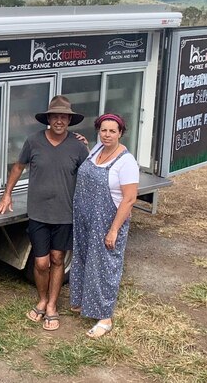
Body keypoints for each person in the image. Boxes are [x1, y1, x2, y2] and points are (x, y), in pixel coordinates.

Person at [0, 95, 88, 331]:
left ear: (69, 120)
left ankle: (52, 305)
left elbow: (91, 171)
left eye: (63, 117)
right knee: (41, 261)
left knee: (58, 259)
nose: (59, 121)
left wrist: (89, 147)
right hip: (38, 212)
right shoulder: (33, 141)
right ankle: (42, 299)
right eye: (55, 116)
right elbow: (18, 167)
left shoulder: (78, 146)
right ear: (48, 119)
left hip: (65, 214)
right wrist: (7, 194)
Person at [69, 113, 140, 338]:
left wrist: (114, 230)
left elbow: (129, 199)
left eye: (112, 131)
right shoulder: (97, 150)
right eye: (103, 130)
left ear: (120, 133)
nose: (107, 134)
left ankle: (105, 317)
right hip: (85, 218)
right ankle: (84, 302)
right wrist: (86, 145)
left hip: (108, 221)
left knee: (105, 266)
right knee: (83, 258)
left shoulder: (126, 162)